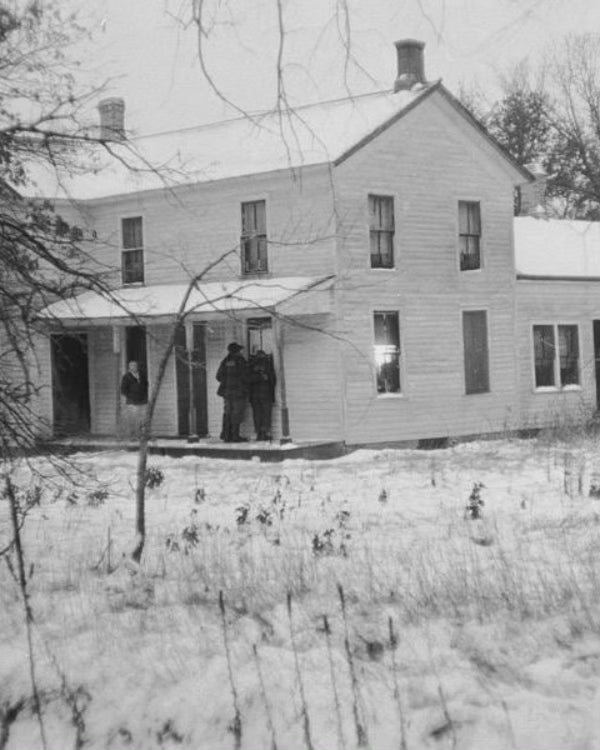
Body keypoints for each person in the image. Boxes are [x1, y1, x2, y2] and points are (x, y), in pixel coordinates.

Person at [216, 342, 249, 443]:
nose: (240, 352)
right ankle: (235, 436)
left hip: (226, 392)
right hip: (238, 392)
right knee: (236, 413)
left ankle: (226, 435)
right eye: (239, 350)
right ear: (237, 351)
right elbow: (245, 376)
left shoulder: (225, 361)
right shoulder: (240, 361)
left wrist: (227, 382)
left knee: (227, 413)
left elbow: (218, 376)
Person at [248, 349, 276, 441]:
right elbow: (273, 380)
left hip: (254, 395)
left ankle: (259, 433)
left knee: (257, 414)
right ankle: (265, 433)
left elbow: (247, 379)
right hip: (266, 393)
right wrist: (264, 378)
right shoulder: (268, 364)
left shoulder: (251, 365)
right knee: (266, 414)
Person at [120, 360, 148, 437]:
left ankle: (141, 434)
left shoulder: (142, 375)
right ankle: (132, 435)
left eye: (135, 365)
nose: (133, 367)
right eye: (131, 366)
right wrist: (130, 396)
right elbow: (123, 389)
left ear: (137, 366)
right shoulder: (126, 377)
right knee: (133, 418)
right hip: (132, 402)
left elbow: (146, 385)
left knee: (142, 418)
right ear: (129, 367)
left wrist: (144, 395)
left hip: (142, 401)